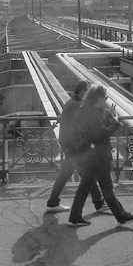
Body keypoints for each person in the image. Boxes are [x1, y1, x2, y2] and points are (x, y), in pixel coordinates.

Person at [67, 84, 133, 227]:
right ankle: (122, 216)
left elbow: (97, 130)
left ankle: (74, 217)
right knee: (107, 189)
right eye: (105, 98)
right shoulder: (93, 114)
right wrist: (115, 122)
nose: (106, 100)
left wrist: (108, 115)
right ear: (98, 99)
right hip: (98, 157)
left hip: (89, 156)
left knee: (85, 187)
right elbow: (100, 134)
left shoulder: (88, 111)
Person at [45, 80, 106, 213]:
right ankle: (97, 203)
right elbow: (82, 125)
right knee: (86, 174)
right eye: (89, 91)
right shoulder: (77, 106)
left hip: (69, 145)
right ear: (83, 92)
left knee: (67, 174)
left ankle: (53, 202)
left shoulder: (72, 102)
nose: (91, 94)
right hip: (74, 146)